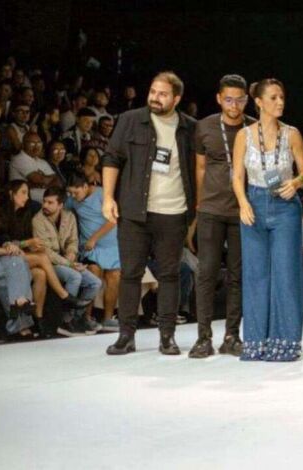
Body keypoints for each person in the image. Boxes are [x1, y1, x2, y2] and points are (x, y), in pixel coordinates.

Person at [102, 71, 197, 355]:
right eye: (153, 92)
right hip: (134, 211)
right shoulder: (130, 120)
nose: (155, 98)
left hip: (174, 212)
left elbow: (199, 168)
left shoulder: (190, 127)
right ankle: (126, 335)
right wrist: (107, 197)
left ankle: (167, 336)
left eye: (163, 94)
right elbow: (112, 157)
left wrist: (197, 210)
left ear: (176, 98)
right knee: (130, 273)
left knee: (169, 275)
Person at [232, 78, 303, 361]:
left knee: (286, 274)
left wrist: (296, 183)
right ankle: (256, 341)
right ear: (259, 102)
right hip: (254, 203)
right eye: (274, 97)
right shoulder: (244, 135)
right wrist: (242, 203)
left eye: (282, 97)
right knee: (255, 275)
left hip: (285, 206)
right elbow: (236, 176)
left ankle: (285, 342)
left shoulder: (291, 134)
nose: (280, 102)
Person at [189, 74, 256, 358]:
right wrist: (199, 205)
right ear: (219, 99)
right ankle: (203, 337)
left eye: (239, 100)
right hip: (211, 210)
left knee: (238, 276)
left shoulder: (253, 127)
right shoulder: (204, 127)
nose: (234, 105)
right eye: (228, 99)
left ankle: (232, 335)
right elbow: (200, 168)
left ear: (246, 100)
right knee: (206, 274)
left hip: (243, 212)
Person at [0, 180, 91, 334]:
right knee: (41, 258)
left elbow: (4, 238)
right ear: (11, 193)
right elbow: (5, 241)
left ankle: (38, 320)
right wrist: (23, 244)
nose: (27, 197)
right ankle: (64, 296)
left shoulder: (23, 213)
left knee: (40, 274)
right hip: (5, 256)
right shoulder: (1, 211)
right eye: (23, 193)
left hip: (14, 254)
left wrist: (18, 245)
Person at [33, 187, 103, 336]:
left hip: (68, 261)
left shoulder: (69, 216)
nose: (45, 205)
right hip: (50, 264)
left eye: (50, 202)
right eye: (44, 201)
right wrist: (69, 263)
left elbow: (73, 240)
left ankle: (76, 318)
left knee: (95, 282)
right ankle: (64, 321)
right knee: (74, 276)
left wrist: (71, 254)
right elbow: (46, 252)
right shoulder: (38, 220)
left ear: (60, 205)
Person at [66, 172, 121, 332]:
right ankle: (86, 317)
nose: (73, 196)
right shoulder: (73, 200)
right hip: (90, 247)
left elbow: (113, 219)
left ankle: (108, 318)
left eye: (76, 192)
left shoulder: (102, 194)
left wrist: (94, 238)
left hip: (110, 244)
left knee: (114, 276)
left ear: (85, 186)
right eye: (70, 193)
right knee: (94, 272)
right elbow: (62, 208)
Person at [0, 180, 36, 339]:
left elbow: (0, 234)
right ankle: (20, 315)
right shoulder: (3, 210)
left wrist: (7, 244)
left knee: (19, 261)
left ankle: (20, 305)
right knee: (3, 270)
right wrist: (6, 250)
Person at [9, 131, 60, 203]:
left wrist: (42, 184)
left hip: (46, 200)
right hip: (28, 201)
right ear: (23, 145)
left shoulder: (42, 162)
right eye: (32, 143)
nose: (36, 147)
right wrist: (46, 180)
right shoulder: (19, 159)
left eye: (39, 143)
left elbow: (57, 180)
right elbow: (39, 180)